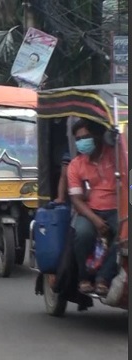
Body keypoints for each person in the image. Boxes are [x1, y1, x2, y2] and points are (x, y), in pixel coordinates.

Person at [67, 119, 118, 295]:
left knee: (125, 235)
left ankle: (103, 278)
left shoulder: (116, 156)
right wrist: (95, 220)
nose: (82, 141)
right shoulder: (76, 165)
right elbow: (76, 199)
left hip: (118, 209)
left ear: (97, 136)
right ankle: (84, 278)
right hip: (90, 211)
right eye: (78, 139)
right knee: (82, 233)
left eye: (86, 137)